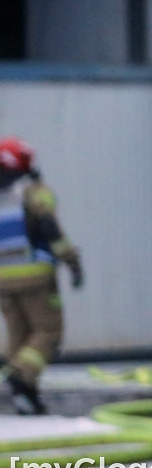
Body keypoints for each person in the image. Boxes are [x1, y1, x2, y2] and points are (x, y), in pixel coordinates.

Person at [0, 136, 83, 415]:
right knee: (48, 332)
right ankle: (19, 374)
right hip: (36, 275)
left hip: (3, 280)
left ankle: (27, 397)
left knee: (19, 336)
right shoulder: (33, 191)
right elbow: (50, 228)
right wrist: (71, 261)